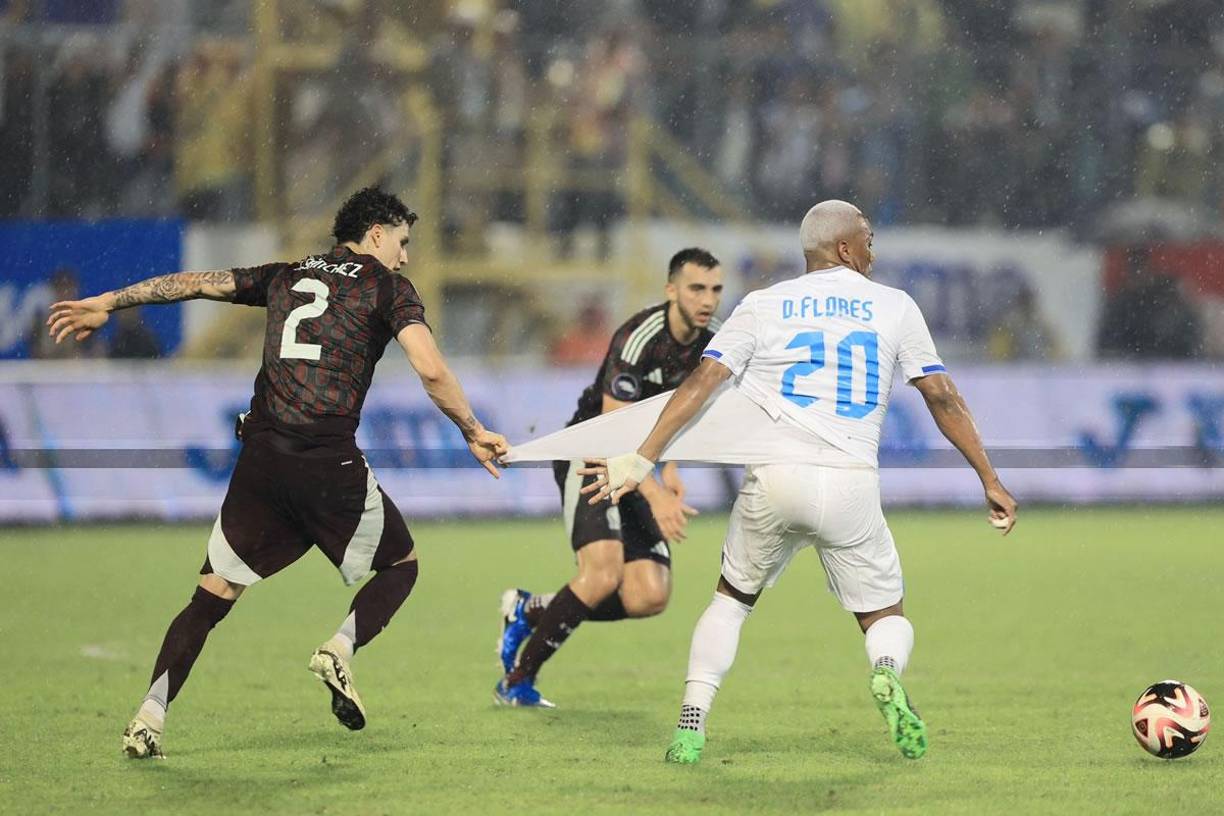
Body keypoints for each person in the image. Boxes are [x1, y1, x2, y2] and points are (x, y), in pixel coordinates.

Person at [46, 187, 509, 759]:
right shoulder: (386, 286)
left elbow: (192, 282)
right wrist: (471, 429)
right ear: (375, 235)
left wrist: (109, 302)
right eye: (403, 242)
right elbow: (431, 370)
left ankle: (148, 717)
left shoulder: (285, 276)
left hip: (262, 459)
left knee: (210, 596)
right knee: (400, 564)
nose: (406, 256)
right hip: (325, 459)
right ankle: (340, 648)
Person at [580, 201, 1018, 763]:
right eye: (867, 239)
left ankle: (692, 722)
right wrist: (990, 478)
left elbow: (702, 383)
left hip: (775, 478)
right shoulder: (894, 306)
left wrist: (642, 458)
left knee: (731, 603)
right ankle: (885, 673)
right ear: (843, 248)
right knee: (885, 617)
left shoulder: (762, 305)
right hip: (850, 484)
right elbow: (941, 396)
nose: (872, 250)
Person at [493, 248, 725, 707]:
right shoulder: (639, 338)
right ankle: (517, 681)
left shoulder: (712, 344)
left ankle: (530, 607)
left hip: (638, 465)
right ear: (671, 290)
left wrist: (672, 469)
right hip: (592, 457)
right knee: (601, 574)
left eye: (716, 289)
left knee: (648, 596)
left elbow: (683, 413)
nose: (708, 300)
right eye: (697, 288)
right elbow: (616, 430)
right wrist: (657, 495)